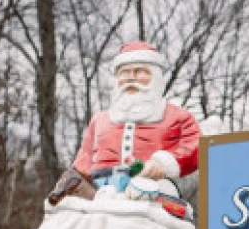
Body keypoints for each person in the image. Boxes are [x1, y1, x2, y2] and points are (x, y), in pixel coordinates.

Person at [73, 41, 200, 181]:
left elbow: (197, 147)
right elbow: (83, 160)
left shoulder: (178, 117)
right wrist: (71, 185)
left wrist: (163, 163)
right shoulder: (99, 120)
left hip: (155, 187)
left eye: (139, 71)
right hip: (101, 189)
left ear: (155, 77)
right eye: (124, 73)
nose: (131, 78)